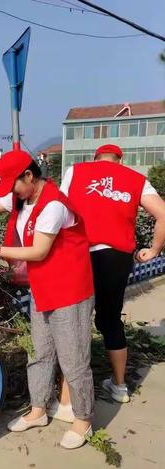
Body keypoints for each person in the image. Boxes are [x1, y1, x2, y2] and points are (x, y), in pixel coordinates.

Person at [0, 150, 95, 449]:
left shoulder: (53, 205)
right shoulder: (22, 197)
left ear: (29, 176)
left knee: (73, 358)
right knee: (40, 352)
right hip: (44, 287)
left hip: (70, 289)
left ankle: (83, 421)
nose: (11, 192)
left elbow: (39, 251)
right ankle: (38, 409)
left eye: (13, 184)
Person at [50, 144, 165, 416]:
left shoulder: (75, 172)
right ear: (120, 160)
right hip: (117, 257)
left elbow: (56, 211)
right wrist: (155, 249)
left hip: (80, 254)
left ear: (95, 159)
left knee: (74, 319)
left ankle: (68, 397)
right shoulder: (137, 180)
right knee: (110, 319)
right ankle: (120, 386)